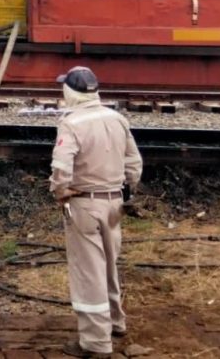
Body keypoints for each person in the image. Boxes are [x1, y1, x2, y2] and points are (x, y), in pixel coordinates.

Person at [49, 66, 143, 358]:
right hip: (114, 203)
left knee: (88, 271)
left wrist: (60, 191)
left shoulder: (72, 123)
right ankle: (116, 322)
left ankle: (95, 342)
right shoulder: (117, 118)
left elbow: (62, 167)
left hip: (85, 205)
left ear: (70, 91)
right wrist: (126, 190)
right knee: (109, 265)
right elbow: (134, 163)